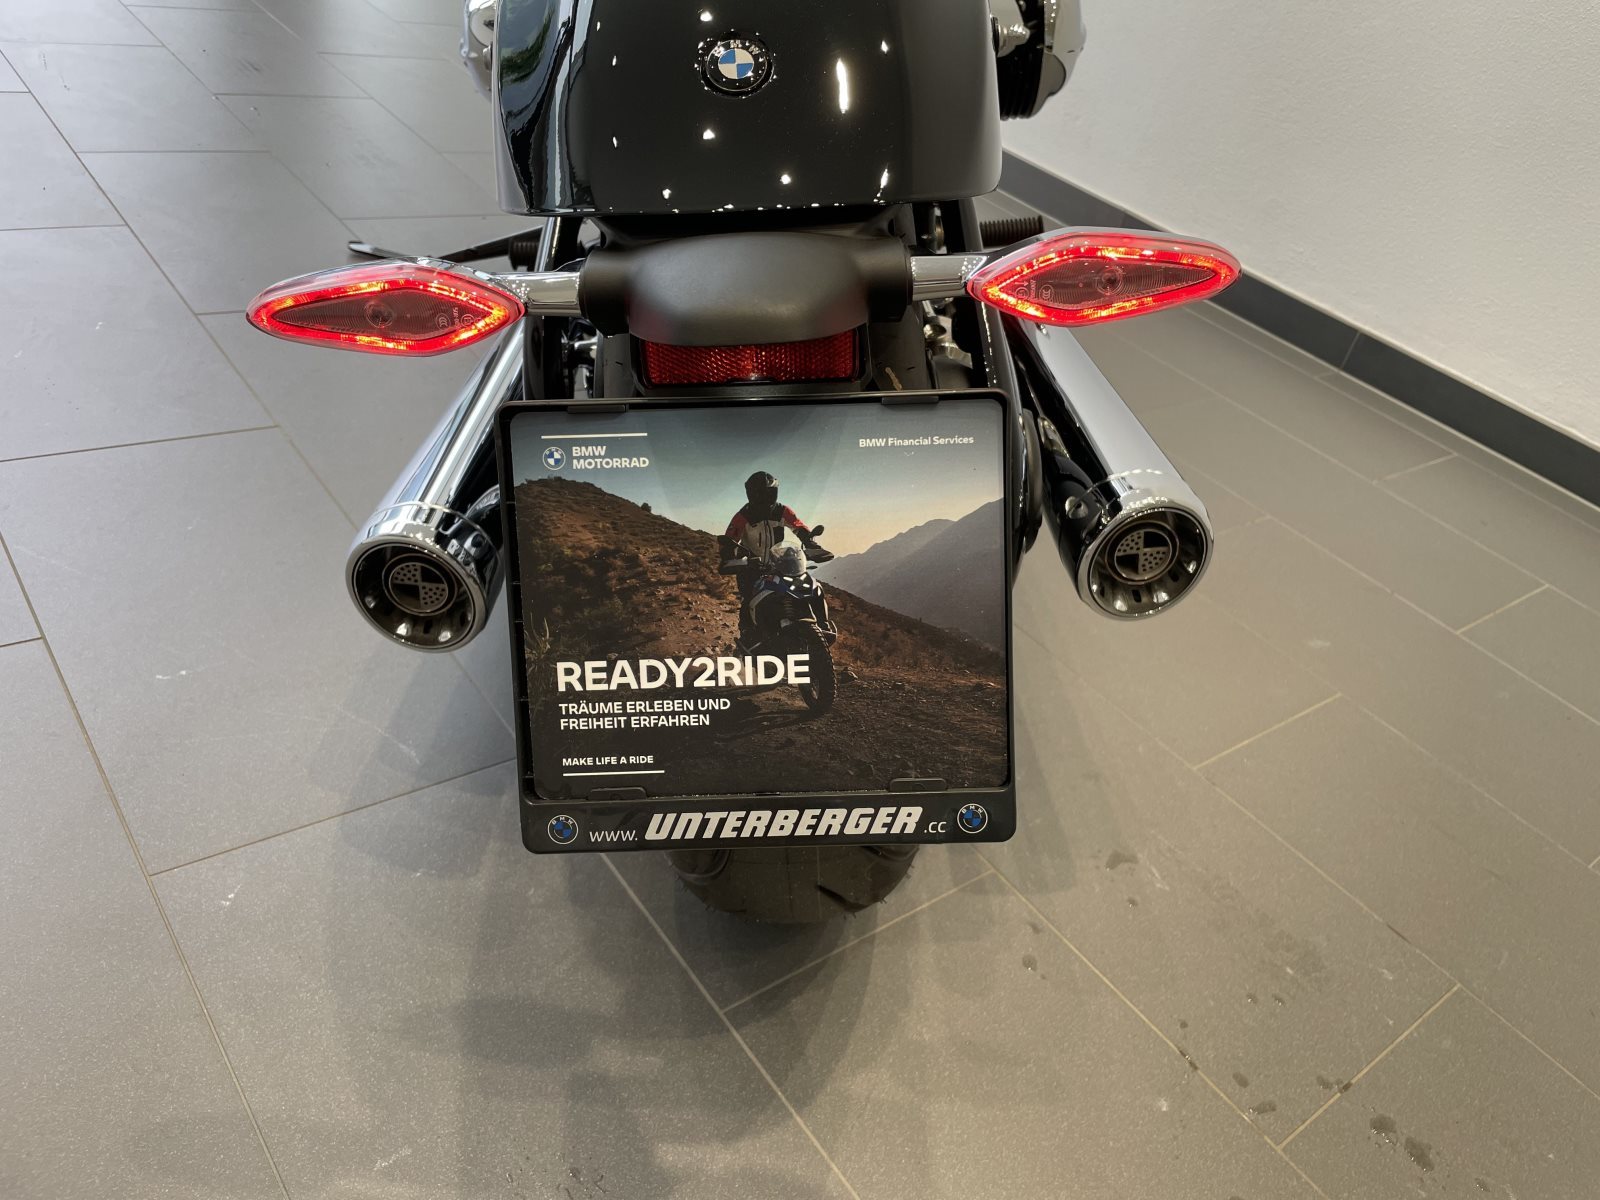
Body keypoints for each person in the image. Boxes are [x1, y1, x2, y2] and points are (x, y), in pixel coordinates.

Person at [720, 471, 832, 645]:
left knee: (809, 588)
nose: (765, 497)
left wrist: (810, 543)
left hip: (779, 563)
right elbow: (730, 539)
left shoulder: (782, 511)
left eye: (769, 492)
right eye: (761, 493)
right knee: (749, 599)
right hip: (751, 565)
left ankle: (822, 625)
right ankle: (748, 639)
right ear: (752, 494)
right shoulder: (743, 516)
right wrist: (729, 557)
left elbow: (798, 527)